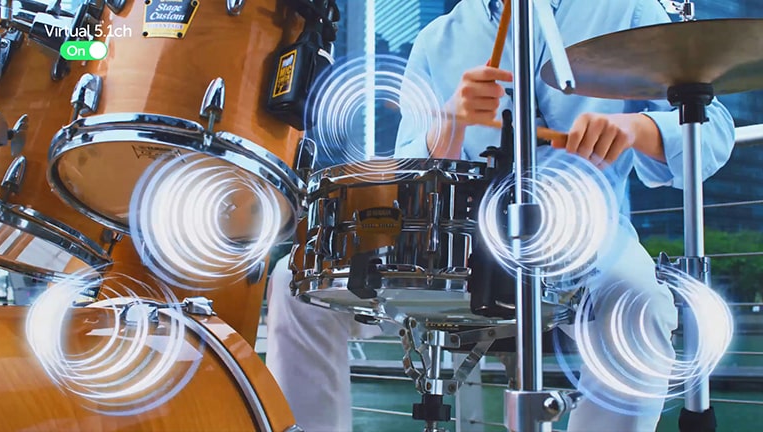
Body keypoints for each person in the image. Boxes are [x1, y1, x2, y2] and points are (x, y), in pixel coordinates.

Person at [267, 1, 736, 431]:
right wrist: (450, 119)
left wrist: (636, 127)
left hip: (587, 237)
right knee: (296, 286)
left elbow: (712, 132)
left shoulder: (625, 10)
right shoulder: (439, 37)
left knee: (642, 307)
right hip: (458, 244)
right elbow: (409, 170)